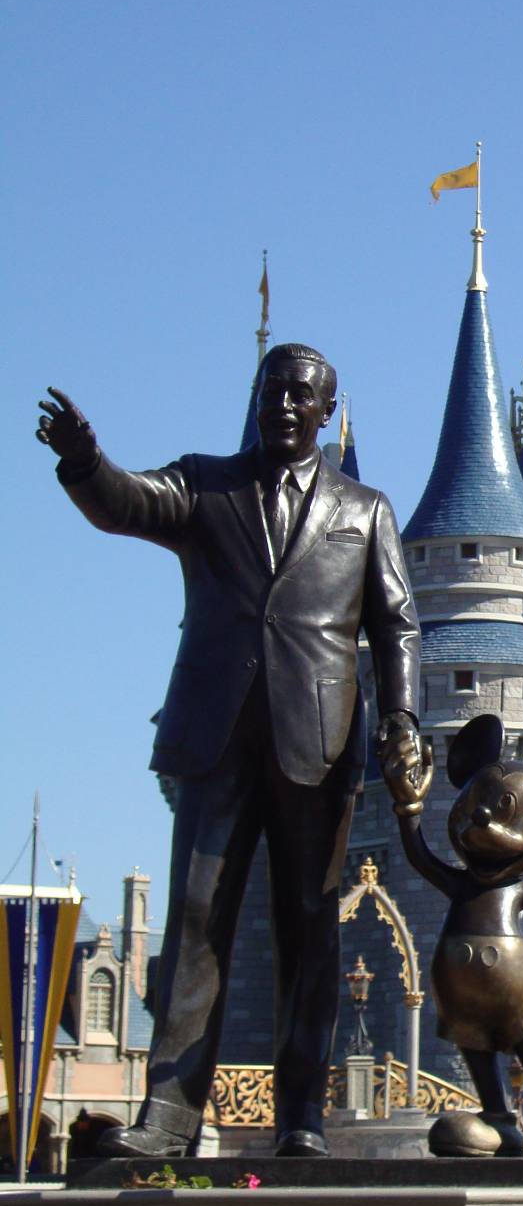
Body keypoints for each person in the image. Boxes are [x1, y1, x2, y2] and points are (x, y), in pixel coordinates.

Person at [36, 350, 420, 1159]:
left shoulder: (365, 509)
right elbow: (127, 504)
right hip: (216, 736)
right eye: (272, 390)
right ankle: (170, 1117)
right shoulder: (206, 484)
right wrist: (86, 463)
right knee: (199, 917)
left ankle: (302, 1120)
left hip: (316, 742)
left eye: (300, 395)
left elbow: (396, 625)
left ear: (326, 410)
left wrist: (405, 715)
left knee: (309, 928)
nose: (283, 404)